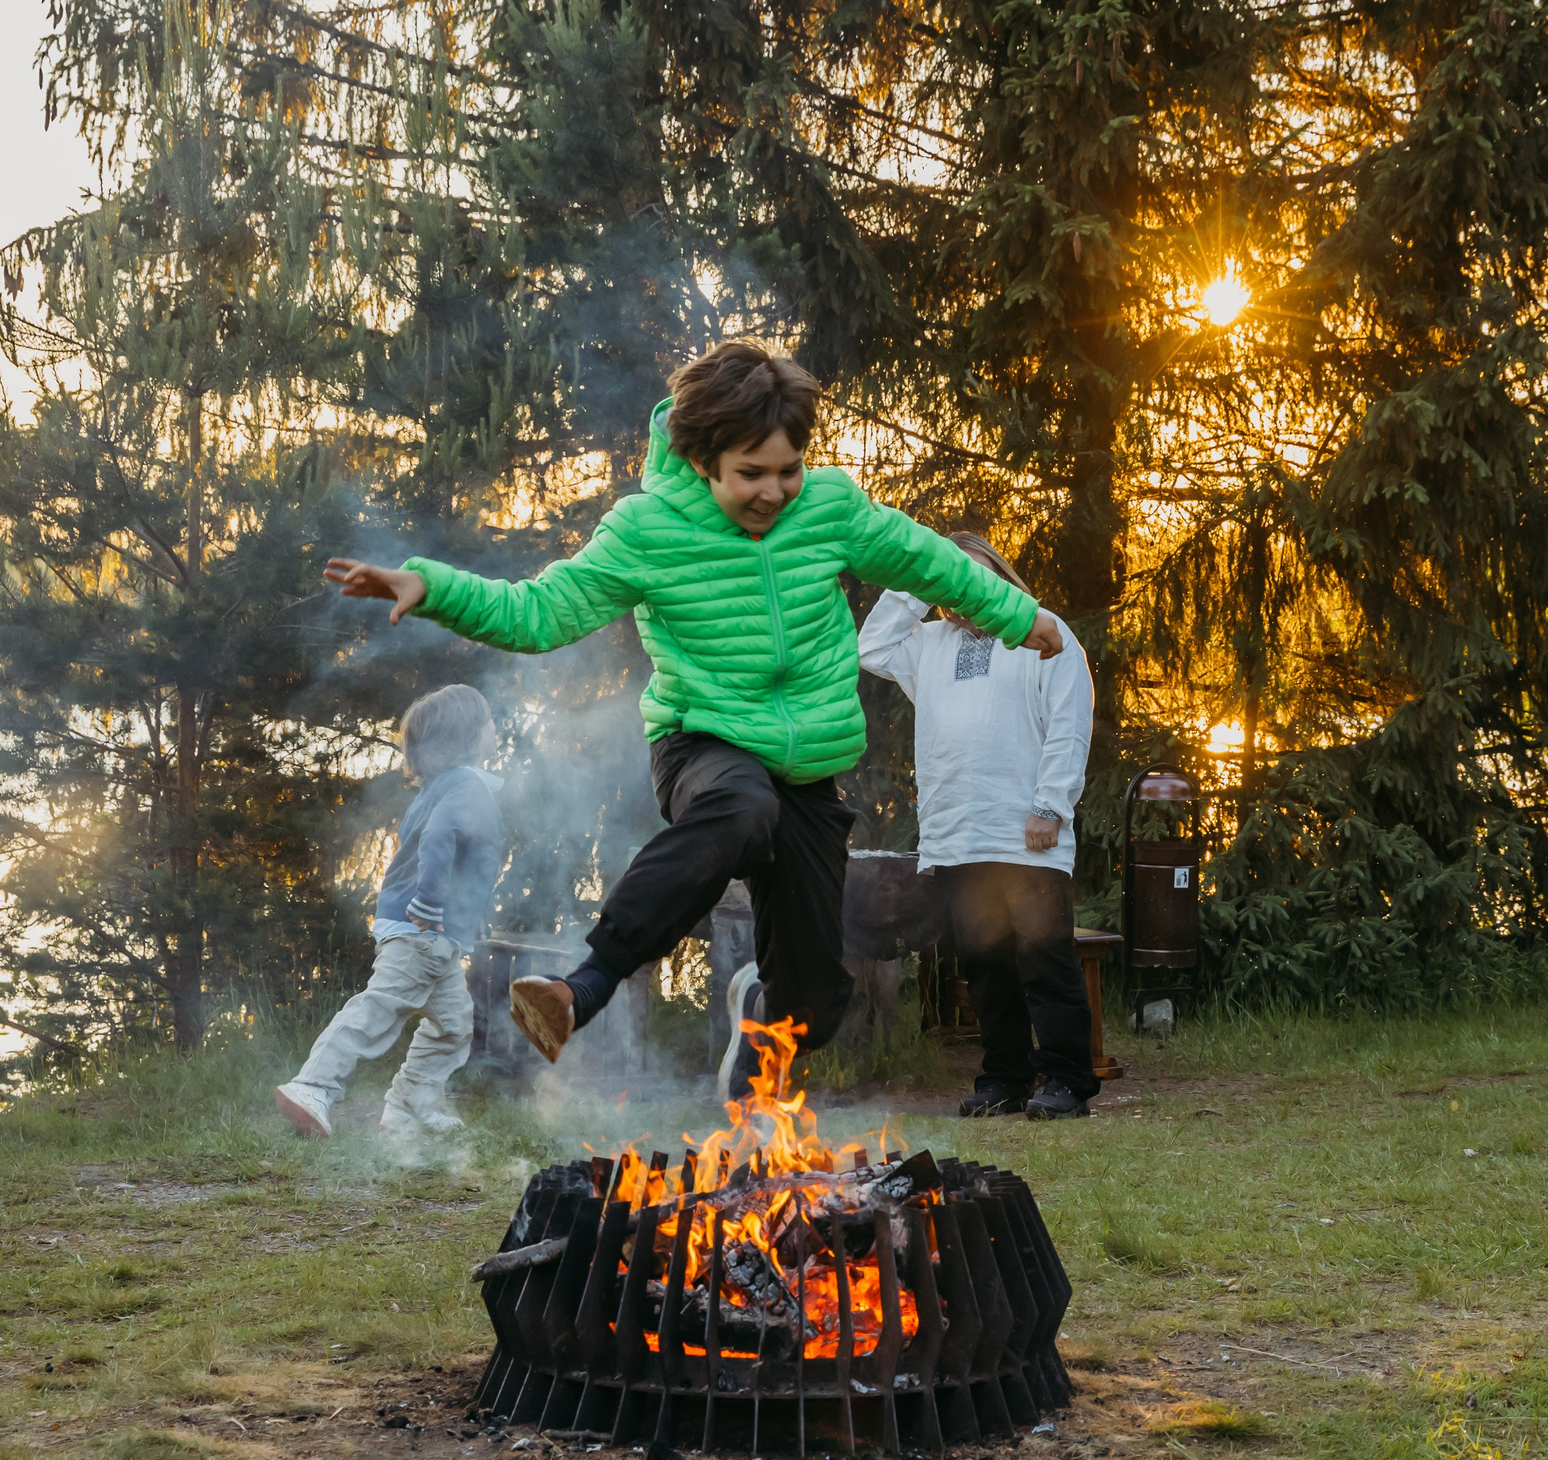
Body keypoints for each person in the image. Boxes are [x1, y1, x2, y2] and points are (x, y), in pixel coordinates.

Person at [322, 342, 1062, 1088]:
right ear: (705, 461)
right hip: (701, 745)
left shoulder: (830, 507)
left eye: (787, 469)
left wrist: (1014, 613)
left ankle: (764, 1008)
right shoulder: (648, 530)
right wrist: (431, 585)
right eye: (750, 474)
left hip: (805, 772)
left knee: (814, 1011)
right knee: (742, 807)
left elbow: (926, 560)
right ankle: (584, 987)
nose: (775, 491)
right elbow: (540, 612)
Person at [859, 533, 1098, 1119]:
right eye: (951, 578)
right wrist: (919, 578)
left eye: (975, 574)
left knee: (1044, 958)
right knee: (985, 964)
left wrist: (1051, 807)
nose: (965, 588)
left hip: (1026, 829)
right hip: (959, 830)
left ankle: (1066, 1080)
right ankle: (1005, 1079)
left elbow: (1069, 724)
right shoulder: (931, 645)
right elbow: (871, 647)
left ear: (1000, 574)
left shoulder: (1045, 632)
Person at [274, 685, 504, 1141]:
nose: (494, 727)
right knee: (379, 1009)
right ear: (469, 735)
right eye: (488, 720)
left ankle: (411, 1105)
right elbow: (440, 836)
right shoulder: (468, 785)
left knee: (455, 1026)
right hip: (424, 929)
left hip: (434, 937)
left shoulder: (440, 787)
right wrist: (431, 900)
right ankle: (312, 1087)